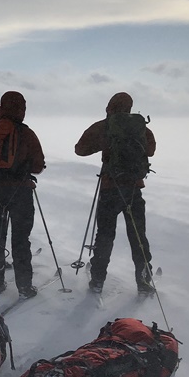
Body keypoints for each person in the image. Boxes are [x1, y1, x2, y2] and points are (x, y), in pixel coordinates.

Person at [74, 92, 156, 293]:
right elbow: (151, 150)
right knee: (138, 236)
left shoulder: (104, 126)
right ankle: (143, 280)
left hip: (110, 188)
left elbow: (80, 149)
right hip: (134, 190)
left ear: (109, 106)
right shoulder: (141, 128)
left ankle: (98, 280)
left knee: (105, 236)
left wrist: (106, 145)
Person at [0, 90, 45, 298]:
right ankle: (24, 287)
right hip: (20, 192)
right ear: (21, 108)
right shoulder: (26, 133)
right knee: (20, 240)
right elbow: (38, 165)